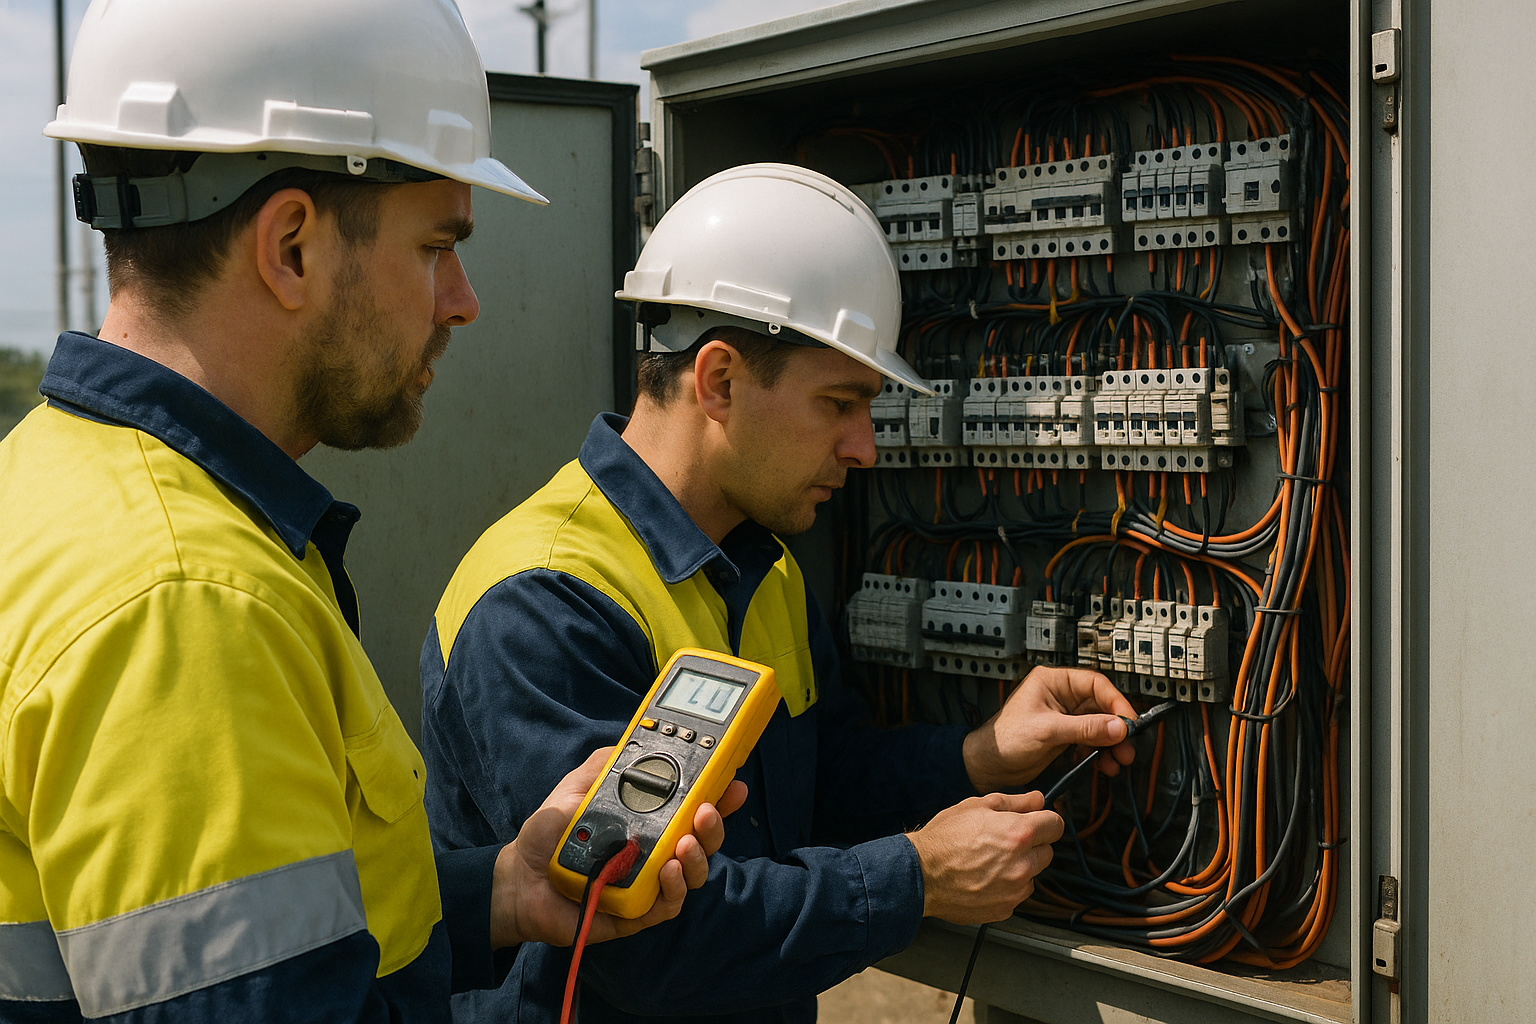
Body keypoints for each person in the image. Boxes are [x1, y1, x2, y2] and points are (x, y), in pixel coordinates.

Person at [0, 1, 738, 1021]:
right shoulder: (191, 603)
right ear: (292, 247)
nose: (463, 299)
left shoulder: (49, 477)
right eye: (436, 245)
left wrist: (502, 891)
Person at [420, 163, 1139, 1024]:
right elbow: (643, 939)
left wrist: (979, 756)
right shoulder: (544, 599)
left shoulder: (763, 567)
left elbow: (819, 786)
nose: (865, 447)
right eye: (838, 403)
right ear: (720, 381)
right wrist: (918, 876)